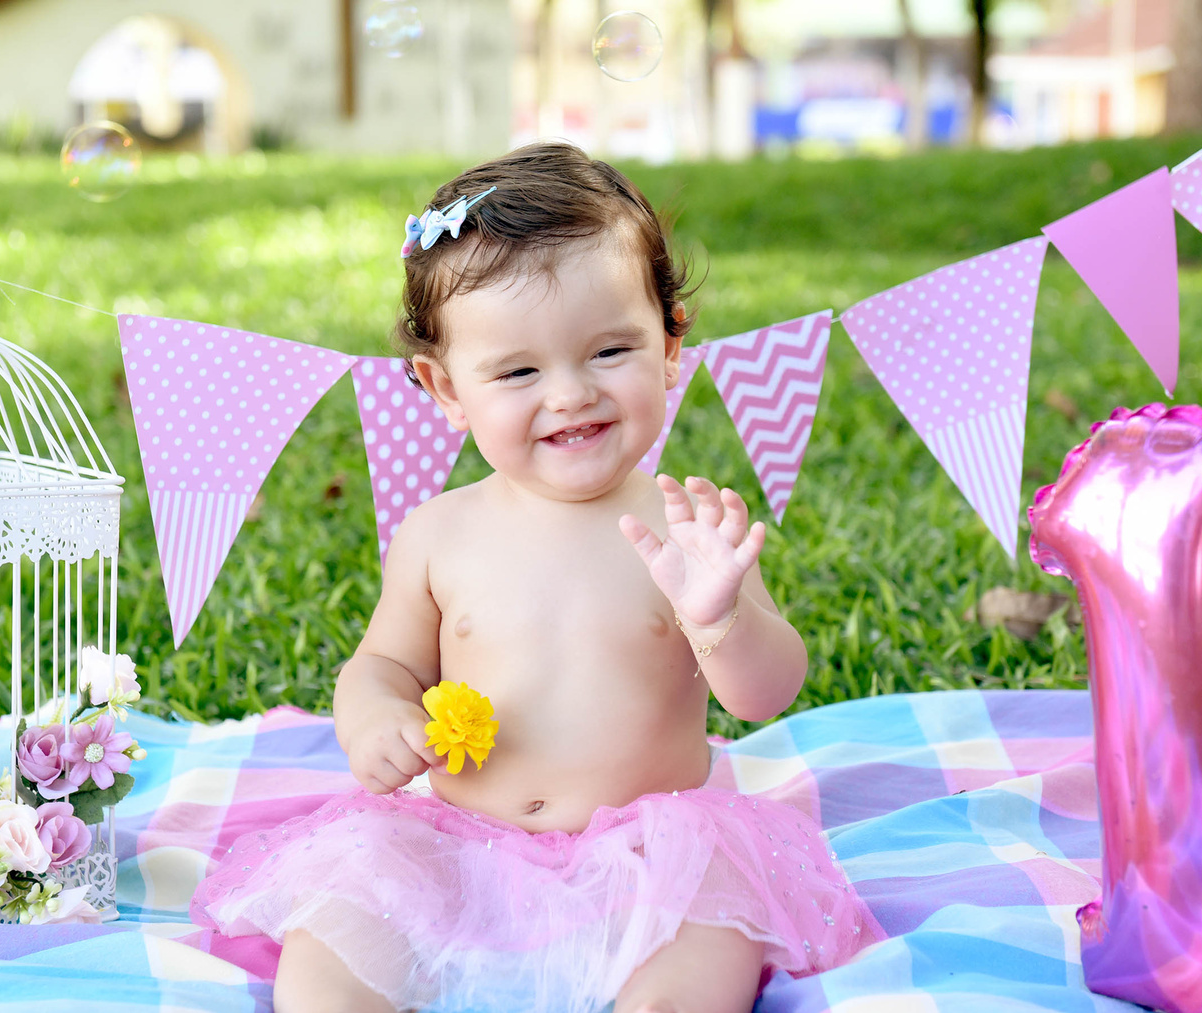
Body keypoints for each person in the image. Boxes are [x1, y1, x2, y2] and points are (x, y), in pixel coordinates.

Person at [193, 142, 870, 1013]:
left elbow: (765, 694)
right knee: (334, 942)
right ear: (445, 388)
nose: (570, 394)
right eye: (518, 370)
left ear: (670, 344)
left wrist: (720, 620)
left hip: (652, 853)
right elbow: (383, 664)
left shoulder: (685, 528)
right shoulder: (439, 534)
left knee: (707, 945)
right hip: (457, 844)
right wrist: (376, 718)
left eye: (610, 351)